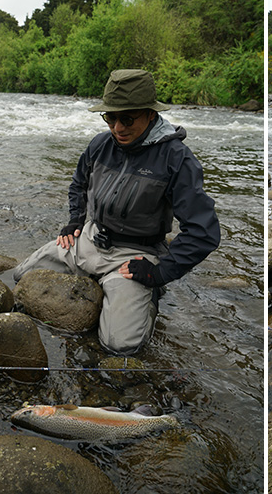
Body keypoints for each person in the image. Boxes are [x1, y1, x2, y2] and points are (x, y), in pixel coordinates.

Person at [13, 69, 220, 355]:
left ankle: (148, 298)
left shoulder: (177, 159)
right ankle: (99, 282)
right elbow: (78, 184)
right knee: (21, 278)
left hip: (134, 255)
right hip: (88, 239)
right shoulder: (100, 145)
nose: (117, 127)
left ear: (150, 114)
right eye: (110, 117)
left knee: (120, 345)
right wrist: (75, 220)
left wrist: (158, 273)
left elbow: (204, 232)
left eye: (127, 118)